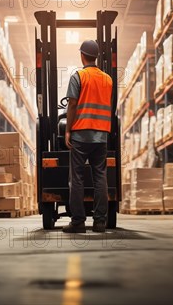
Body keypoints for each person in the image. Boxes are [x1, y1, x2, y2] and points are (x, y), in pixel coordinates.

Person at [62, 39, 113, 234]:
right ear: (96, 56)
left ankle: (78, 222)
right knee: (100, 176)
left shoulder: (78, 76)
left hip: (81, 135)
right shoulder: (108, 79)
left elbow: (72, 105)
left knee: (77, 178)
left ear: (82, 55)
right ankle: (100, 222)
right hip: (101, 136)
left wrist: (68, 130)